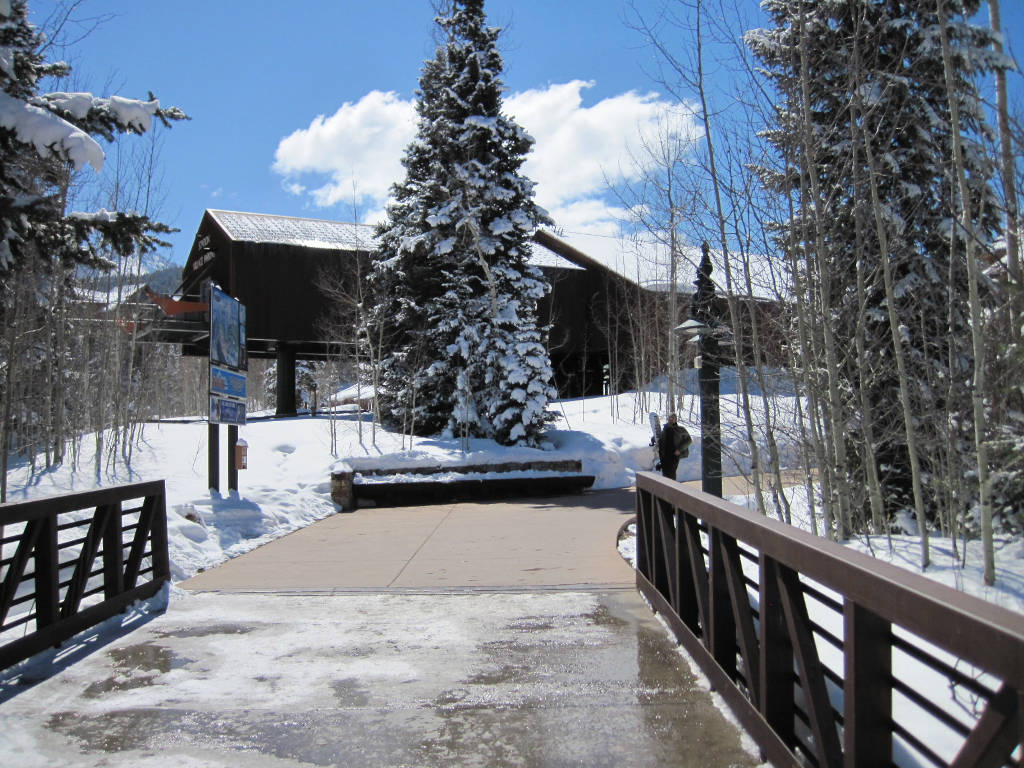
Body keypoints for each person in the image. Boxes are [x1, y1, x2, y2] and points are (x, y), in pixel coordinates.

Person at [657, 413, 692, 481]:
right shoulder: (665, 429)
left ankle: (672, 490)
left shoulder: (680, 430)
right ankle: (666, 490)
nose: (671, 419)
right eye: (670, 418)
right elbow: (661, 440)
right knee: (665, 475)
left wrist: (679, 449)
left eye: (673, 418)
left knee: (671, 475)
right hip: (664, 456)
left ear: (676, 419)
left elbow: (688, 440)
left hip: (674, 456)